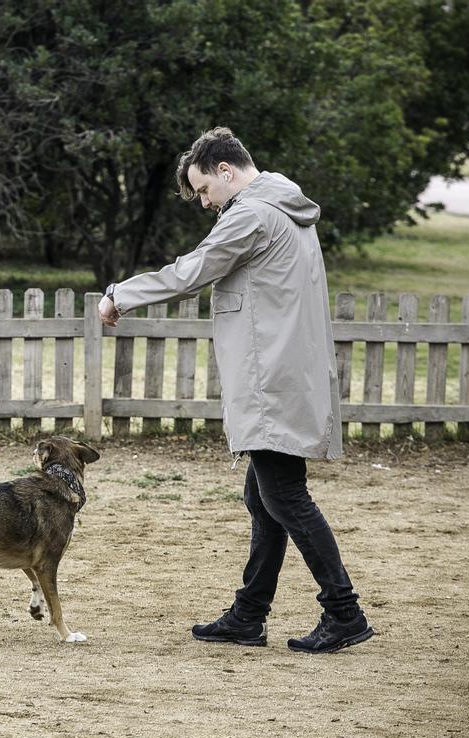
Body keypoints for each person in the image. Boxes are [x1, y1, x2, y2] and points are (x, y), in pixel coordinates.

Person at [98, 126, 373, 654]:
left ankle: (344, 612)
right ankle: (249, 614)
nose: (204, 201)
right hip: (285, 370)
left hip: (272, 375)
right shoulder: (283, 206)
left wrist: (120, 295)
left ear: (226, 171)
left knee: (284, 496)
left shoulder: (253, 214)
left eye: (204, 189)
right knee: (264, 495)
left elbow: (195, 269)